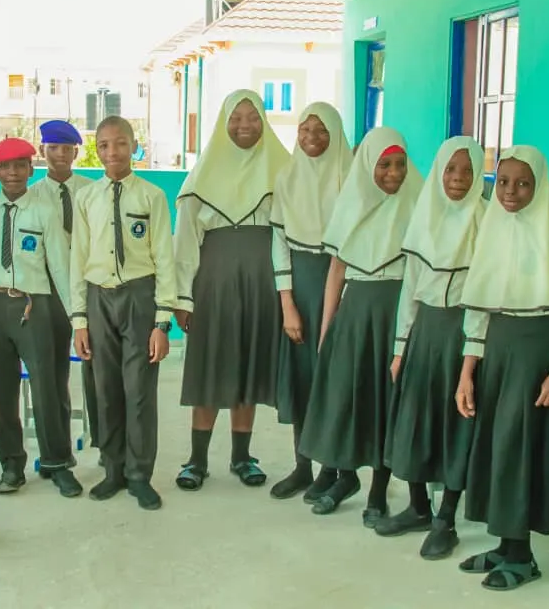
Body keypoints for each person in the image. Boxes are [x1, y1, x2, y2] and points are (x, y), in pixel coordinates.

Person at [455, 146, 549, 591]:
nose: (510, 192)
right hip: (497, 352)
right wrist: (467, 371)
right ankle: (505, 545)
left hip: (535, 357)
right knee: (495, 446)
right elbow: (480, 308)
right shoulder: (492, 229)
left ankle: (523, 555)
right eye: (503, 182)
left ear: (539, 185)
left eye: (522, 183)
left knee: (522, 448)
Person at [298, 127, 422, 521]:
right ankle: (345, 476)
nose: (393, 173)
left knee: (385, 404)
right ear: (368, 164)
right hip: (355, 315)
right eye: (384, 164)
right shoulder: (349, 205)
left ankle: (377, 494)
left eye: (400, 164)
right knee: (348, 397)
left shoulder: (418, 204)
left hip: (397, 315)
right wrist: (326, 328)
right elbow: (336, 270)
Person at [172, 89, 288, 491]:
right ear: (223, 123)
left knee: (248, 366)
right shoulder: (201, 178)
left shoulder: (283, 172)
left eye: (252, 117)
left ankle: (242, 457)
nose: (244, 125)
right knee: (209, 366)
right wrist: (182, 298)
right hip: (214, 285)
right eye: (236, 118)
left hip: (263, 283)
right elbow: (185, 244)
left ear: (264, 122)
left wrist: (285, 294)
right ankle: (197, 460)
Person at [377, 137, 485, 559]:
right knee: (415, 419)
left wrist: (472, 355)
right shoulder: (425, 215)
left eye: (466, 171)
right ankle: (418, 506)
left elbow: (485, 294)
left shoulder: (486, 221)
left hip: (463, 333)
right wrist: (401, 346)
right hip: (425, 332)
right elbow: (411, 290)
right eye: (450, 170)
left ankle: (446, 519)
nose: (457, 180)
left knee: (457, 427)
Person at [70, 115, 176, 510]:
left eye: (120, 143)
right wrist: (79, 319)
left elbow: (165, 257)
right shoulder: (87, 198)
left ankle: (139, 474)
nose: (112, 152)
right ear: (97, 149)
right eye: (104, 145)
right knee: (106, 388)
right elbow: (77, 259)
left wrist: (161, 321)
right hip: (99, 298)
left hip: (139, 296)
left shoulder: (151, 196)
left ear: (134, 146)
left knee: (139, 390)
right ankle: (112, 469)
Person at [0, 137, 82, 498]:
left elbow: (59, 265)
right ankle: (11, 463)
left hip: (34, 306)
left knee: (47, 386)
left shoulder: (44, 213)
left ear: (30, 169)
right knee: (2, 389)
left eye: (20, 165)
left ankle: (57, 461)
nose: (13, 173)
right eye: (5, 167)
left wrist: (77, 318)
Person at [269, 102, 352, 501]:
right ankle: (303, 465)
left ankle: (333, 469)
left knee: (333, 379)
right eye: (305, 130)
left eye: (321, 131)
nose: (312, 139)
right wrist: (288, 303)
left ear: (336, 134)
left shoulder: (353, 180)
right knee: (302, 379)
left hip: (341, 284)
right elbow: (279, 244)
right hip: (300, 288)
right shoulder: (287, 178)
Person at [31, 120, 100, 463]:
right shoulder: (31, 198)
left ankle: (105, 443)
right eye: (52, 148)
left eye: (66, 148)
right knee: (53, 371)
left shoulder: (92, 191)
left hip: (91, 288)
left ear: (77, 151)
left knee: (99, 367)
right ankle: (56, 452)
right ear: (42, 151)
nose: (60, 155)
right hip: (49, 295)